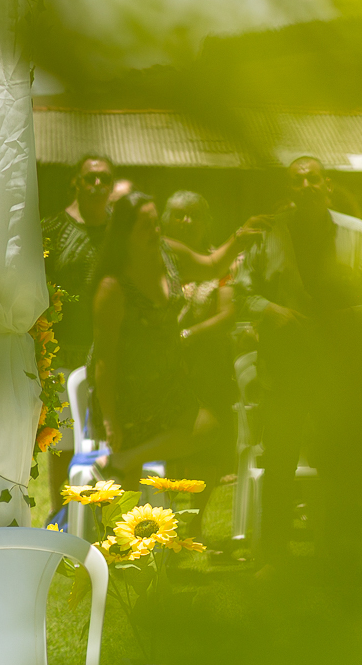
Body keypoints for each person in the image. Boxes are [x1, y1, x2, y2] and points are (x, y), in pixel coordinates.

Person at [234, 157, 362, 569]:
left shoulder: (356, 234)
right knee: (279, 461)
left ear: (327, 185)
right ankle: (274, 555)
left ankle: (339, 551)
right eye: (298, 181)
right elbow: (243, 295)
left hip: (341, 370)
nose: (307, 185)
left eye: (313, 179)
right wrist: (274, 311)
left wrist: (354, 315)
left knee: (340, 462)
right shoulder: (269, 236)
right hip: (286, 368)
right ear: (289, 190)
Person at [90, 191, 264, 485]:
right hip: (125, 392)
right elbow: (104, 359)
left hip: (166, 386)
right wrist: (109, 419)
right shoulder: (113, 286)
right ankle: (120, 489)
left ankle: (124, 460)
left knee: (209, 427)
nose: (155, 231)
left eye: (157, 223)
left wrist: (240, 236)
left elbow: (212, 266)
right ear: (125, 232)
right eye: (146, 226)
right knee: (126, 489)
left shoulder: (169, 254)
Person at [162, 191, 237, 531]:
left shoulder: (221, 263)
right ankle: (167, 512)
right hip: (162, 365)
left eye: (193, 214)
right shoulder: (151, 259)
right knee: (171, 438)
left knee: (206, 440)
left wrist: (188, 336)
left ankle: (194, 518)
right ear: (165, 218)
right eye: (178, 214)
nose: (185, 221)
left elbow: (228, 313)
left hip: (208, 363)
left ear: (206, 221)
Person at [42, 154, 114, 513]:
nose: (97, 185)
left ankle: (103, 519)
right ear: (77, 181)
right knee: (64, 445)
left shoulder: (121, 230)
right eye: (90, 179)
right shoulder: (53, 230)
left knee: (109, 443)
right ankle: (60, 516)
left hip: (112, 354)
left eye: (104, 179)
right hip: (64, 354)